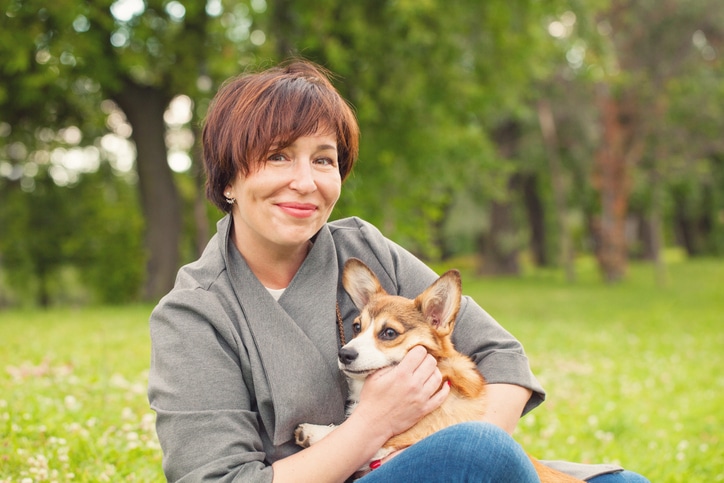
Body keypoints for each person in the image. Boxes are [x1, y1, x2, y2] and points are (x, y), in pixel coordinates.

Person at [147, 59, 649, 483]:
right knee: (475, 451)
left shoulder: (362, 247)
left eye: (324, 160)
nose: (306, 182)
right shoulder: (194, 314)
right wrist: (373, 426)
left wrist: (449, 452)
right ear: (229, 174)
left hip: (429, 463)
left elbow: (501, 357)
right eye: (279, 156)